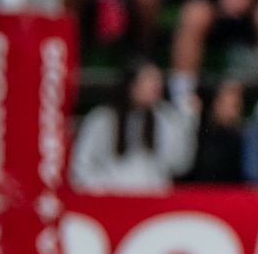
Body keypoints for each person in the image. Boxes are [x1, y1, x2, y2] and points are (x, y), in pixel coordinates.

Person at [72, 62, 198, 194]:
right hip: (110, 200)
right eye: (149, 79)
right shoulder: (102, 119)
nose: (156, 85)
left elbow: (180, 164)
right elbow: (81, 166)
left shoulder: (165, 118)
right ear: (131, 84)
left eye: (158, 80)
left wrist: (187, 123)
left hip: (153, 201)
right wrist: (105, 191)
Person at [185, 78, 248, 184]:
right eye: (227, 104)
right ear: (216, 103)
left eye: (235, 105)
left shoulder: (242, 140)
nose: (231, 110)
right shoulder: (200, 135)